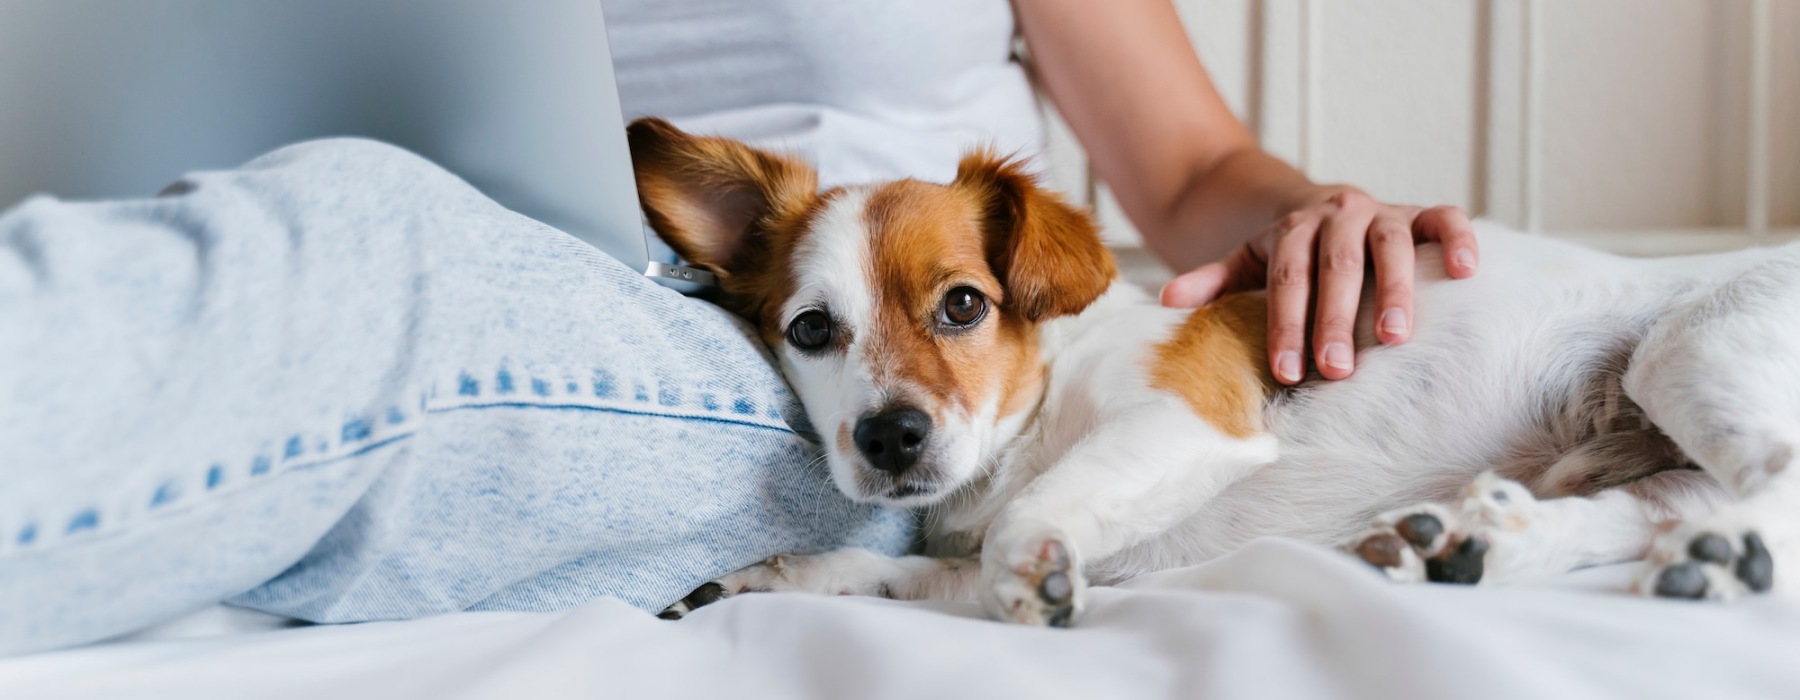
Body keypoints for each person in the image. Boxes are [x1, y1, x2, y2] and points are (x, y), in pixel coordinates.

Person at [0, 0, 1476, 655]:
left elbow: (1193, 171)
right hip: (615, 297)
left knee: (359, 252)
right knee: (325, 240)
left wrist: (1311, 218)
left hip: (818, 382)